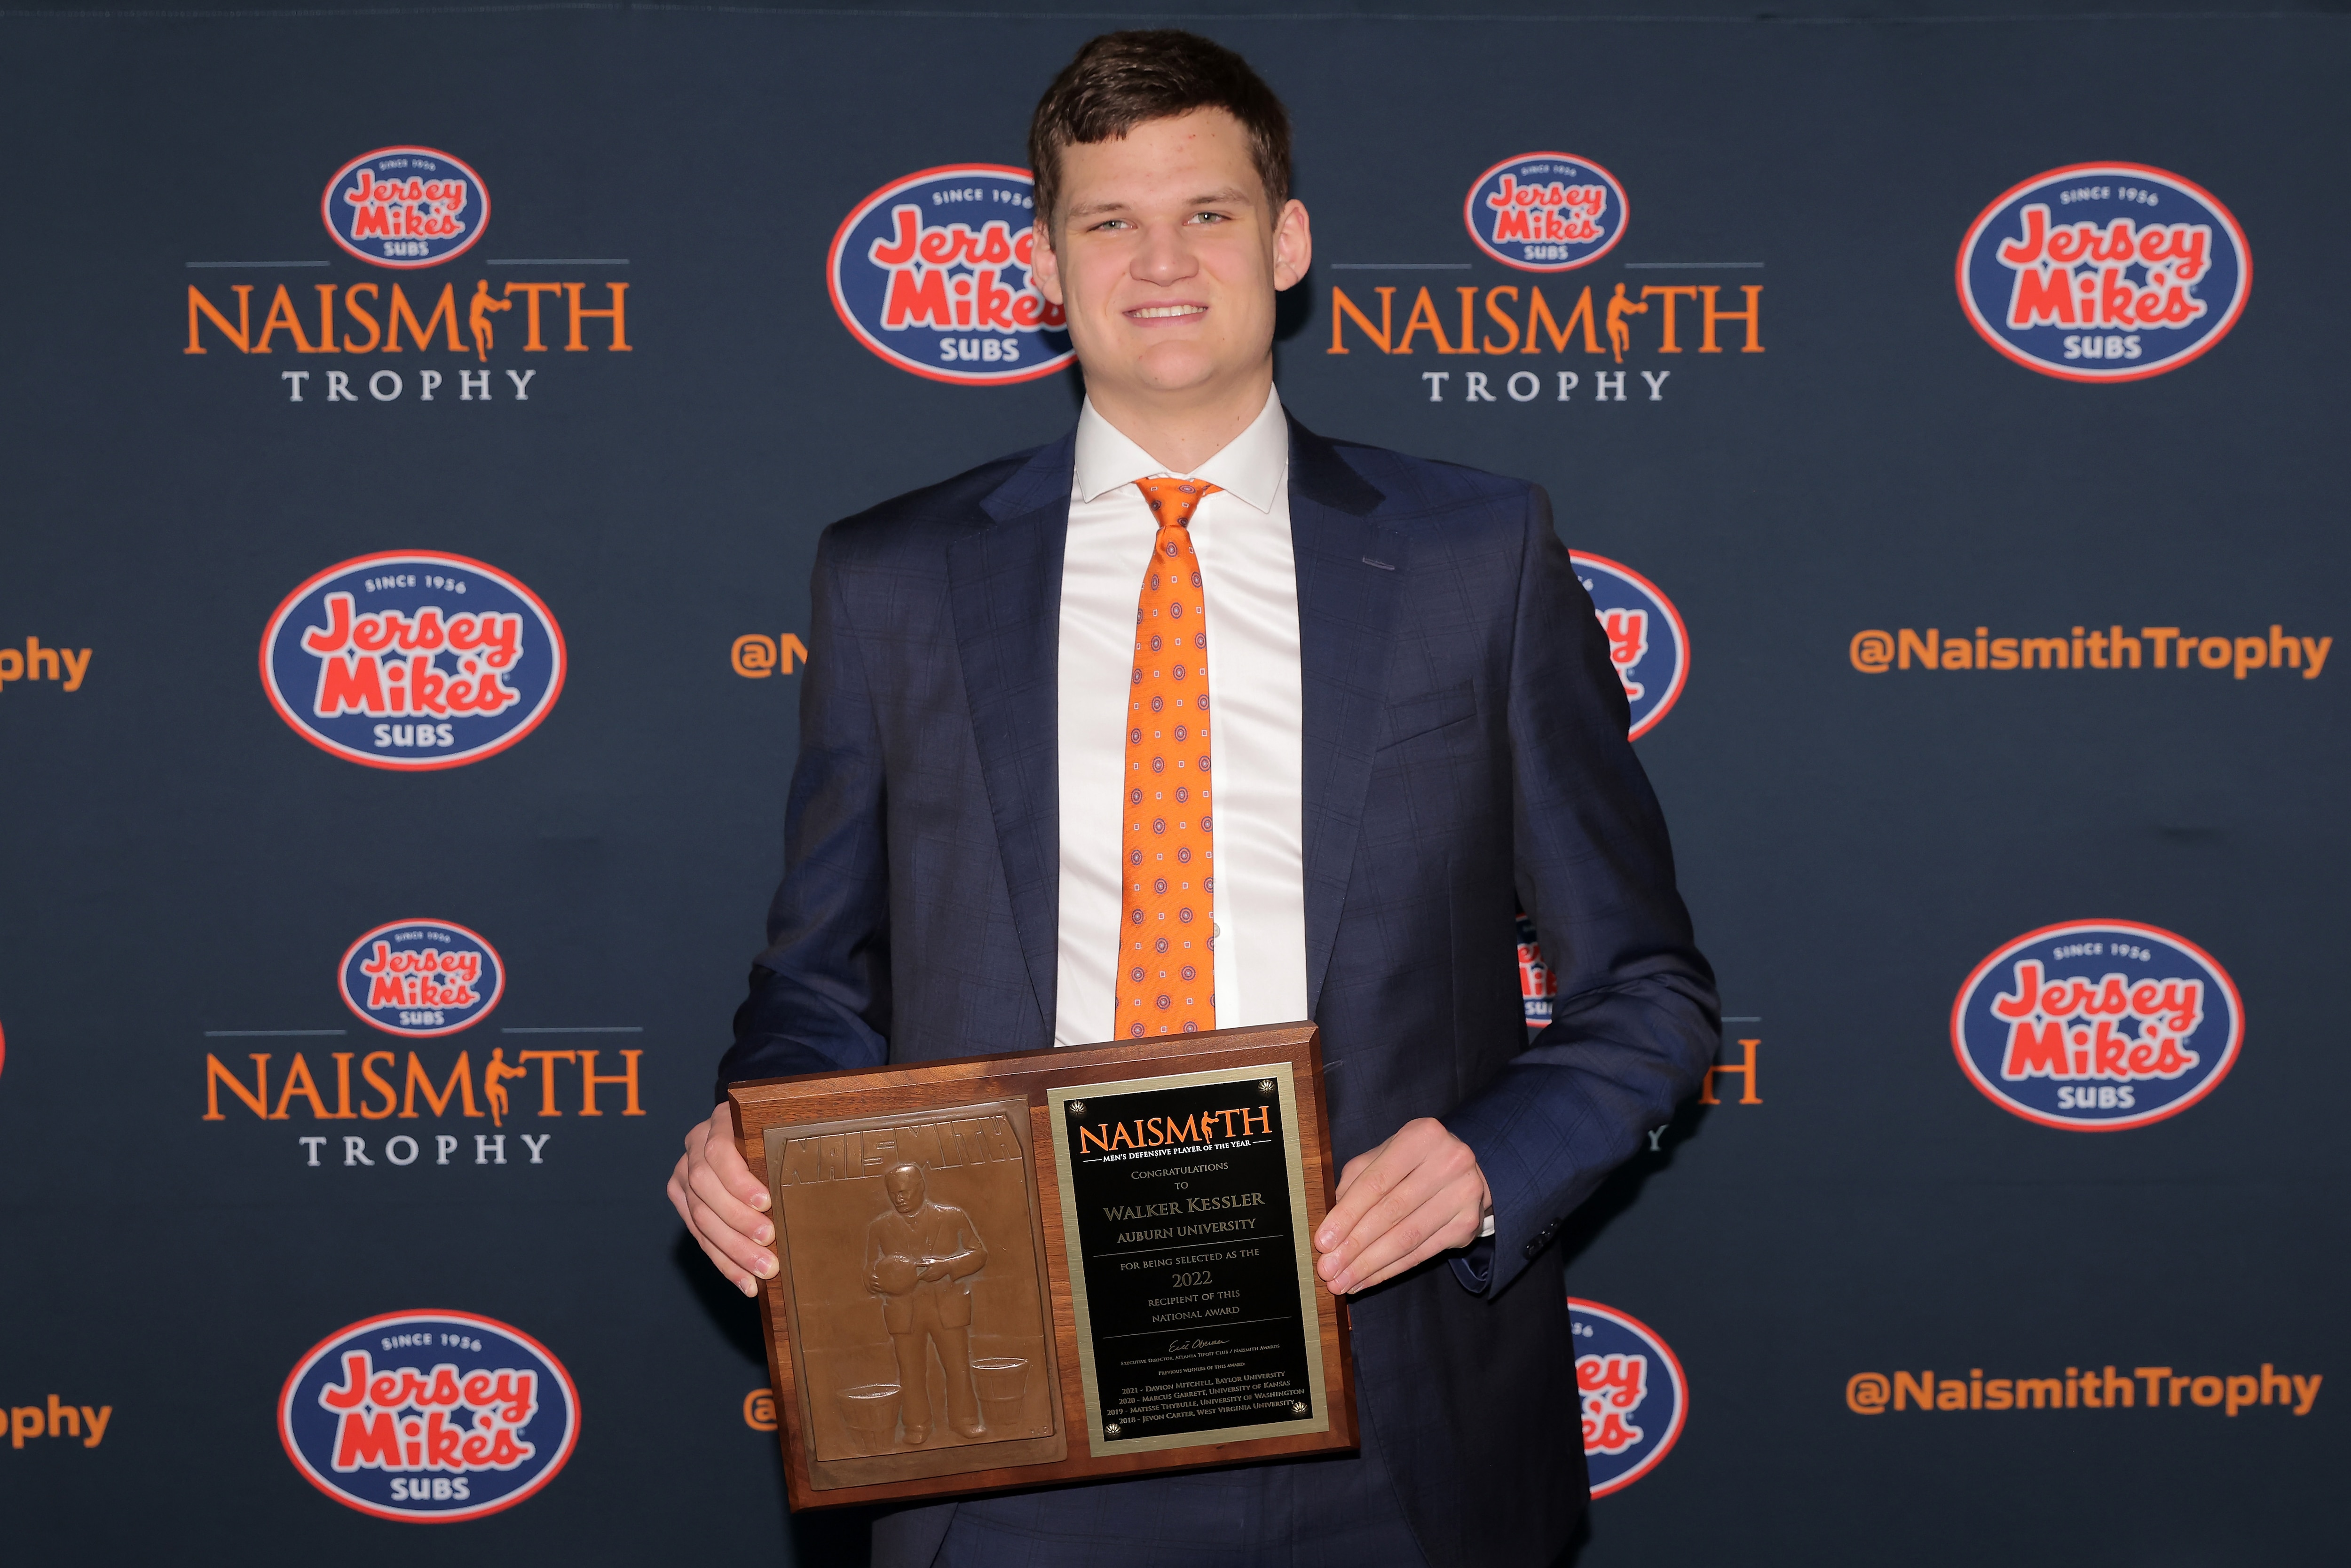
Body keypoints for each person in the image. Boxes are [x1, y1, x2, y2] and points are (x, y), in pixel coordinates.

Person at [667, 28, 1716, 1568]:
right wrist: (758, 1137)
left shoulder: (1472, 555)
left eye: (1209, 213)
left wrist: (1493, 1161)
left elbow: (1650, 991)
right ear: (1041, 263)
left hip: (1389, 1403)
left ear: (1286, 244)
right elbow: (821, 981)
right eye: (1108, 221)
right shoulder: (893, 577)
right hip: (1006, 1426)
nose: (1161, 259)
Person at [865, 1163, 989, 1447]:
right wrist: (875, 1281)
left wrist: (947, 1266)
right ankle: (916, 1425)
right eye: (894, 1193)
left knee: (957, 1367)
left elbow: (979, 1254)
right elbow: (869, 1269)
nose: (900, 1198)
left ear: (921, 1187)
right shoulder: (879, 1226)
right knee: (910, 1372)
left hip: (947, 1307)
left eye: (906, 1191)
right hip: (903, 1312)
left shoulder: (953, 1217)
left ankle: (965, 1421)